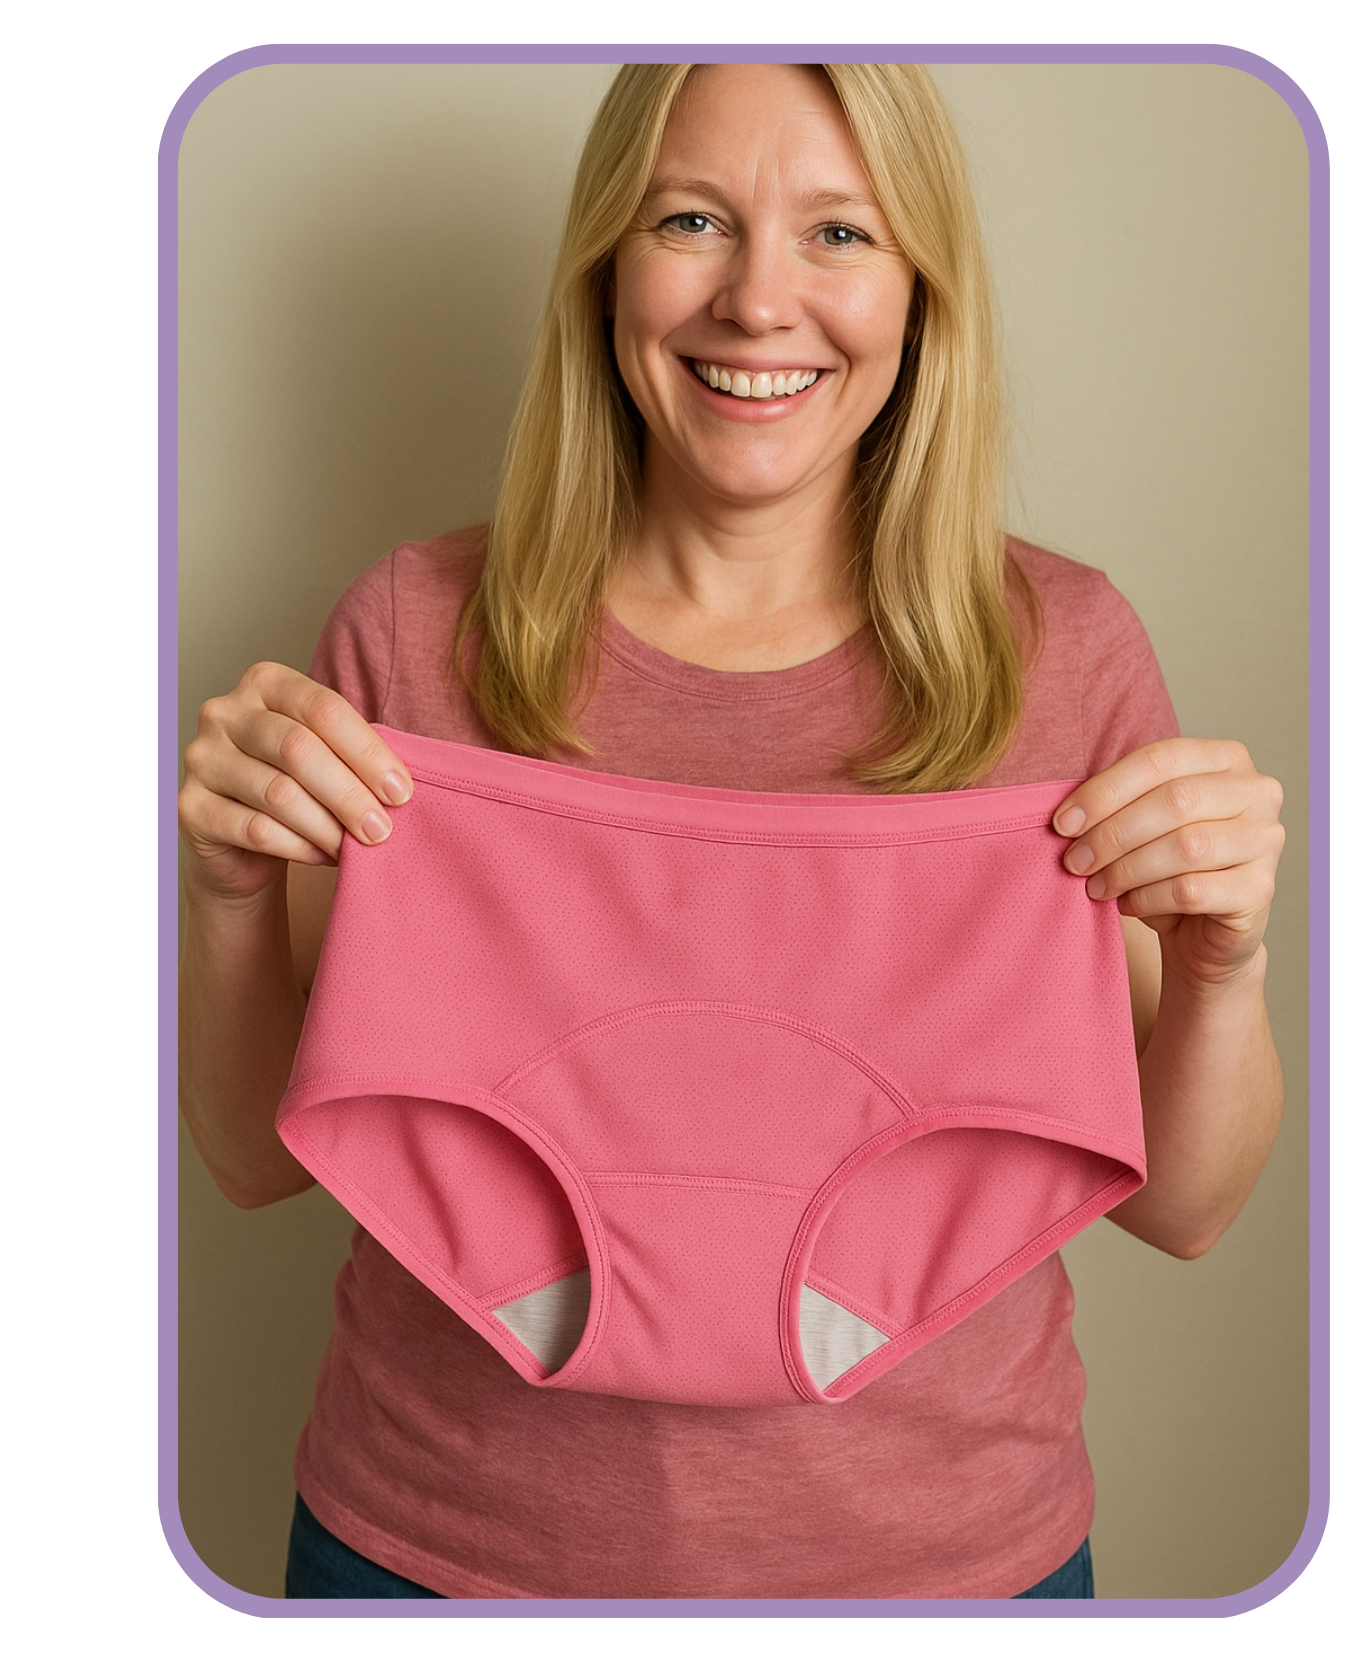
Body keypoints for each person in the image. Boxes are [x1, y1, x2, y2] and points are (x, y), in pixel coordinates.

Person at [179, 63, 1284, 1600]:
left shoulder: (1063, 653)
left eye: (840, 233)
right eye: (692, 220)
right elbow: (254, 1159)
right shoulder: (415, 634)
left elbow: (1187, 1208)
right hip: (433, 1552)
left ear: (920, 291)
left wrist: (1226, 965)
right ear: (605, 267)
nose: (760, 302)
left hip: (947, 1566)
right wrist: (229, 893)